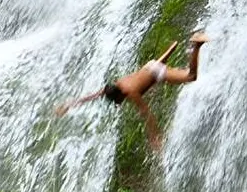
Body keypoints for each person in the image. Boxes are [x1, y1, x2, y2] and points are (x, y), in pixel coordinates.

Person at [54, 32, 210, 150]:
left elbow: (146, 112)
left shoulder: (130, 92)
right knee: (163, 70)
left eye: (118, 101)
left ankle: (196, 44)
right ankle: (180, 48)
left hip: (155, 71)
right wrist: (68, 105)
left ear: (121, 95)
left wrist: (154, 136)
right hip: (150, 66)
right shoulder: (115, 85)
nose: (119, 103)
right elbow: (91, 96)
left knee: (191, 76)